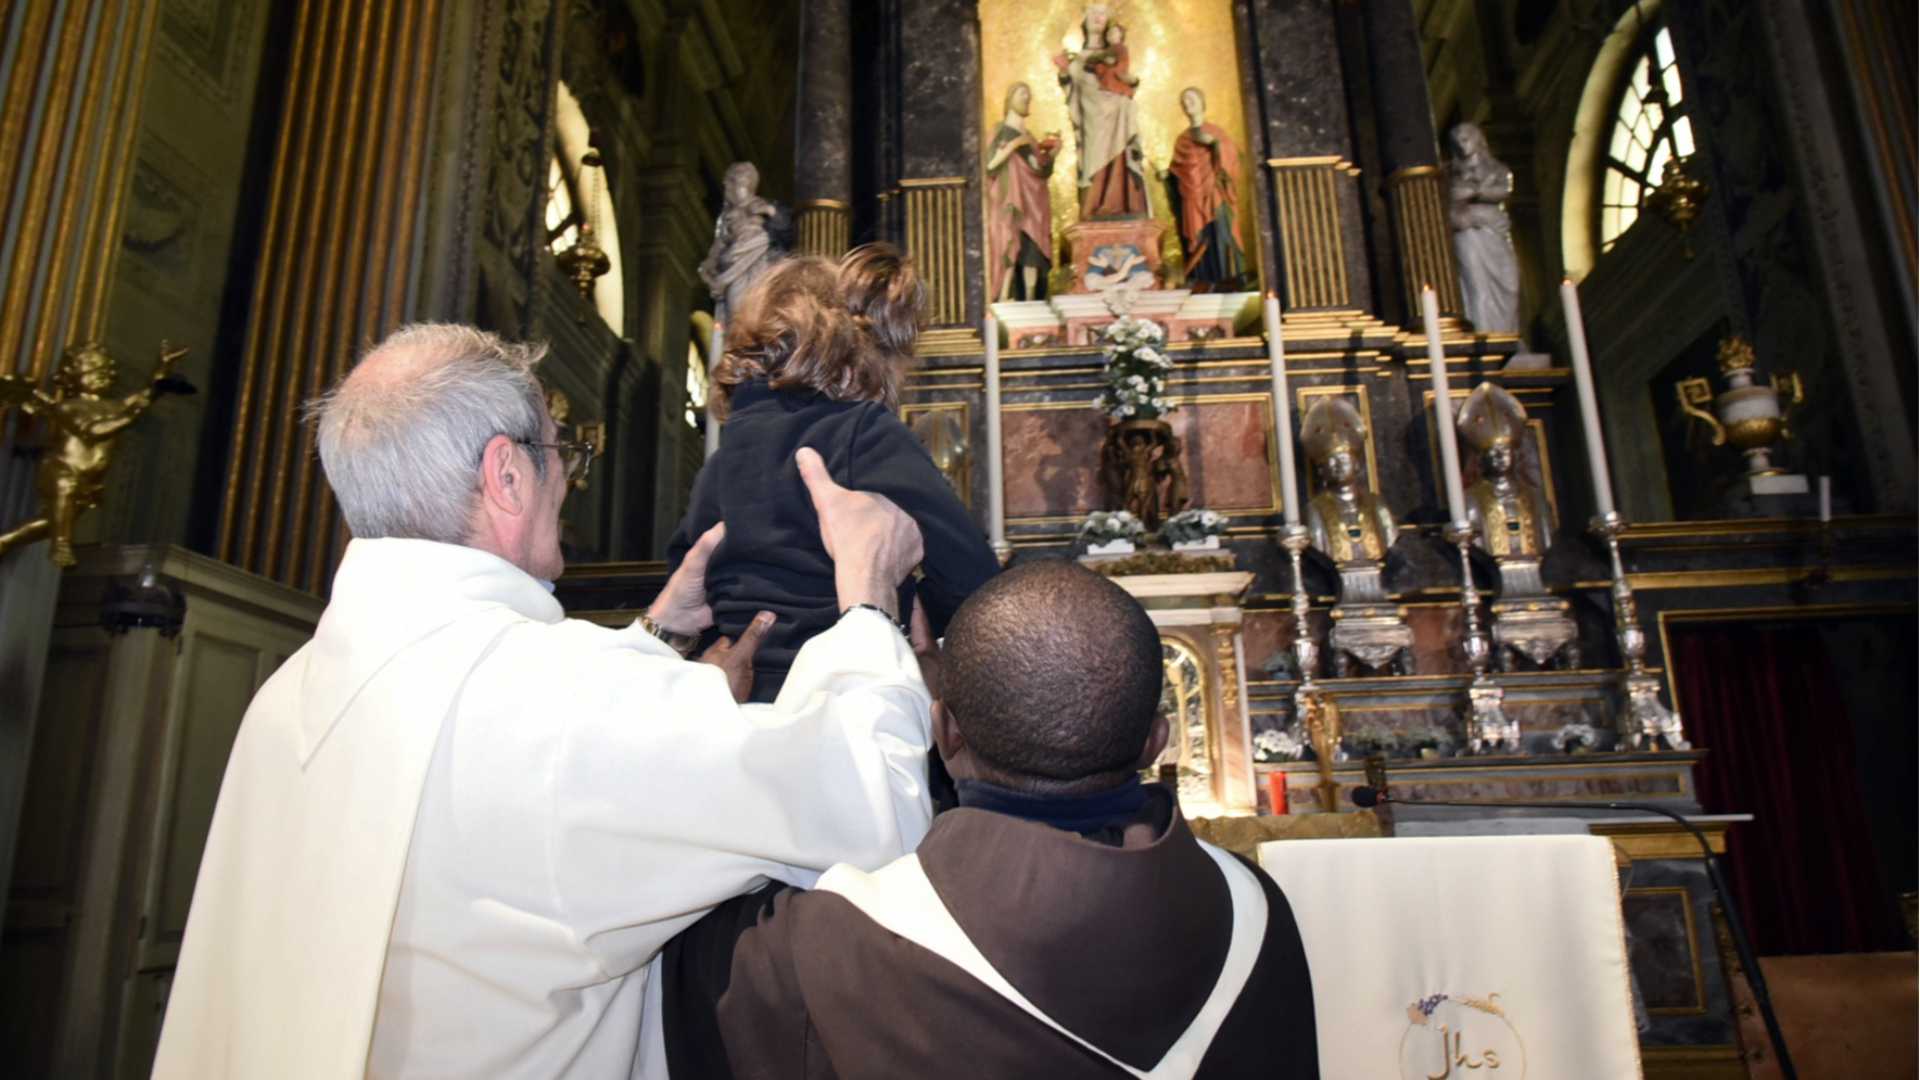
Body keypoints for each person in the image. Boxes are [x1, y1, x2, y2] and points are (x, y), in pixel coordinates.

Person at [151, 323, 937, 1079]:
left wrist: (656, 635)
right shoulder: (569, 699)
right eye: (561, 455)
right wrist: (867, 594)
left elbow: (518, 770)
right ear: (506, 475)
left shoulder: (285, 694)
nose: (566, 478)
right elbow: (869, 804)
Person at [662, 560, 1320, 1079]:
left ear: (943, 732)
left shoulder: (813, 947)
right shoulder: (1256, 912)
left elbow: (640, 933)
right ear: (1158, 742)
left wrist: (705, 726)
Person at [667, 245, 1000, 705]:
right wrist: (920, 614)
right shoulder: (859, 431)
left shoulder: (722, 460)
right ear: (846, 337)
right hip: (841, 699)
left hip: (737, 700)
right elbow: (971, 577)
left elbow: (688, 575)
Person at [1165, 87, 1249, 292]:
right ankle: (1202, 278)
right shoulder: (1182, 139)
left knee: (1220, 231)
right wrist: (1166, 176)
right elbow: (1177, 171)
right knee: (1198, 237)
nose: (1187, 103)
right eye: (1184, 100)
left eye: (1191, 98)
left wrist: (1214, 144)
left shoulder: (1215, 132)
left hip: (1214, 194)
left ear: (1202, 102)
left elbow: (1233, 160)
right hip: (1191, 199)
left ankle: (1227, 276)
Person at [985, 81, 1060, 302]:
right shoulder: (1000, 131)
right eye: (1021, 93)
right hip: (1009, 196)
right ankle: (1003, 296)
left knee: (1032, 249)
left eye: (1029, 94)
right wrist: (1016, 143)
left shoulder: (1031, 137)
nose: (1027, 97)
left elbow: (1038, 169)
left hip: (1032, 202)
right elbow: (990, 164)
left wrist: (1053, 154)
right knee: (1009, 244)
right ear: (1010, 99)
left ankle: (1029, 299)